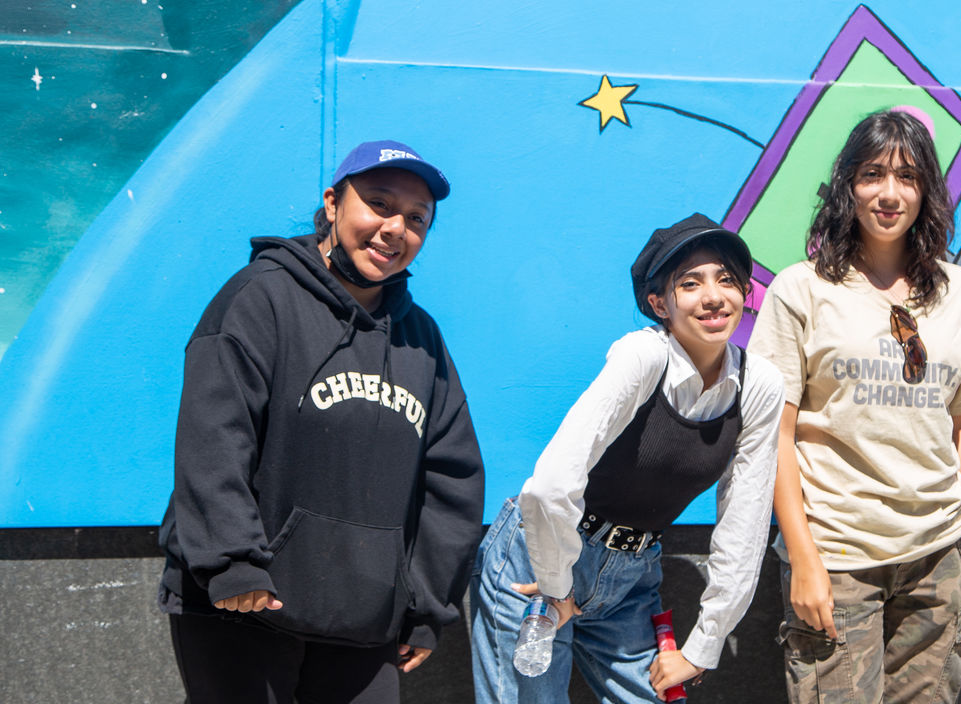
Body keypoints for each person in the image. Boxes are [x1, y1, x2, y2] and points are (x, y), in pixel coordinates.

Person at [156, 140, 485, 704]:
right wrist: (233, 563)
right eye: (379, 204)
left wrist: (426, 606)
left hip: (363, 619)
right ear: (333, 203)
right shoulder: (260, 298)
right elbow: (215, 435)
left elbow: (452, 477)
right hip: (243, 605)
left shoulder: (420, 338)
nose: (394, 228)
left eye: (415, 219)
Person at [747, 110, 961, 704]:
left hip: (939, 554)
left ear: (927, 193)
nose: (889, 194)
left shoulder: (960, 291)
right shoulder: (802, 289)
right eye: (872, 174)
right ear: (847, 184)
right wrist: (802, 556)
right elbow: (773, 436)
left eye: (908, 177)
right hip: (838, 553)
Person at [469, 214, 785, 703]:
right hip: (538, 564)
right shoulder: (642, 357)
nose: (714, 296)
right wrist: (556, 590)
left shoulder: (759, 385)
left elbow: (744, 522)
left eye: (726, 279)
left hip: (632, 577)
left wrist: (703, 645)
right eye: (690, 283)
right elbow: (551, 484)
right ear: (660, 303)